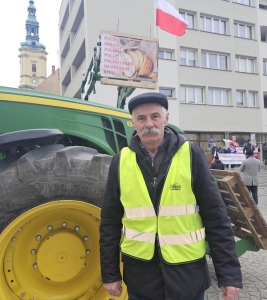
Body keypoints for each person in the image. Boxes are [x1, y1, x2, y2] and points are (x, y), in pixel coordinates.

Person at [99, 92, 242, 300]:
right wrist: (110, 274)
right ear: (133, 123)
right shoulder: (120, 162)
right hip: (141, 281)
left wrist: (229, 275)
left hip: (187, 279)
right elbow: (109, 222)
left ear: (166, 118)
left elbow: (216, 216)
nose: (149, 123)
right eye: (141, 118)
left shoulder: (191, 155)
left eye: (155, 116)